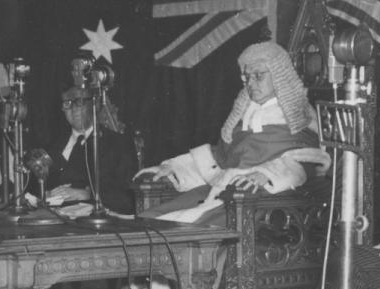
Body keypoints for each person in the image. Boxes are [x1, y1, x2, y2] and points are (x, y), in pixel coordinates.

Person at [137, 40, 331, 224]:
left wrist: (267, 174)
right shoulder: (245, 118)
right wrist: (174, 169)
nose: (250, 84)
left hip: (262, 204)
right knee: (151, 220)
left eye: (259, 75)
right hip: (225, 192)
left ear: (279, 75)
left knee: (181, 229)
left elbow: (306, 162)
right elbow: (218, 160)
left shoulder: (298, 117)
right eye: (246, 77)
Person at [37, 83, 137, 216]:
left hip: (96, 220)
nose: (73, 109)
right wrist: (45, 193)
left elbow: (127, 197)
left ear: (94, 106)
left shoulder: (117, 144)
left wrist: (87, 194)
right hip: (52, 217)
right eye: (67, 104)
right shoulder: (53, 144)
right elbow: (35, 187)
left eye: (80, 102)